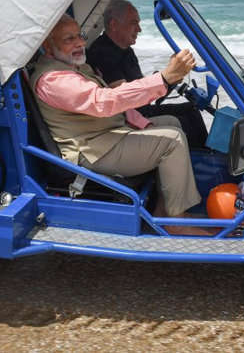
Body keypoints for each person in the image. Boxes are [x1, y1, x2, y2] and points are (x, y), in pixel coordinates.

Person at [28, 14, 205, 234]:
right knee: (172, 140)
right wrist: (163, 79)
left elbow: (112, 99)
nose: (80, 43)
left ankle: (163, 209)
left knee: (170, 122)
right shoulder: (53, 80)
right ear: (47, 45)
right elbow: (103, 102)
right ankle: (176, 222)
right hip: (91, 149)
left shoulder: (73, 68)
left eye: (80, 36)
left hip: (105, 134)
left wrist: (142, 123)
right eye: (69, 39)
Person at [86, 0, 208, 149]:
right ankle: (202, 159)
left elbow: (140, 88)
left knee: (191, 110)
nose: (139, 29)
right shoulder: (103, 52)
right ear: (113, 25)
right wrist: (165, 78)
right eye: (133, 23)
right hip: (128, 116)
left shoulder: (125, 50)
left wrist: (171, 78)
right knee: (186, 117)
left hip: (140, 108)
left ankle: (205, 156)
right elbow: (124, 97)